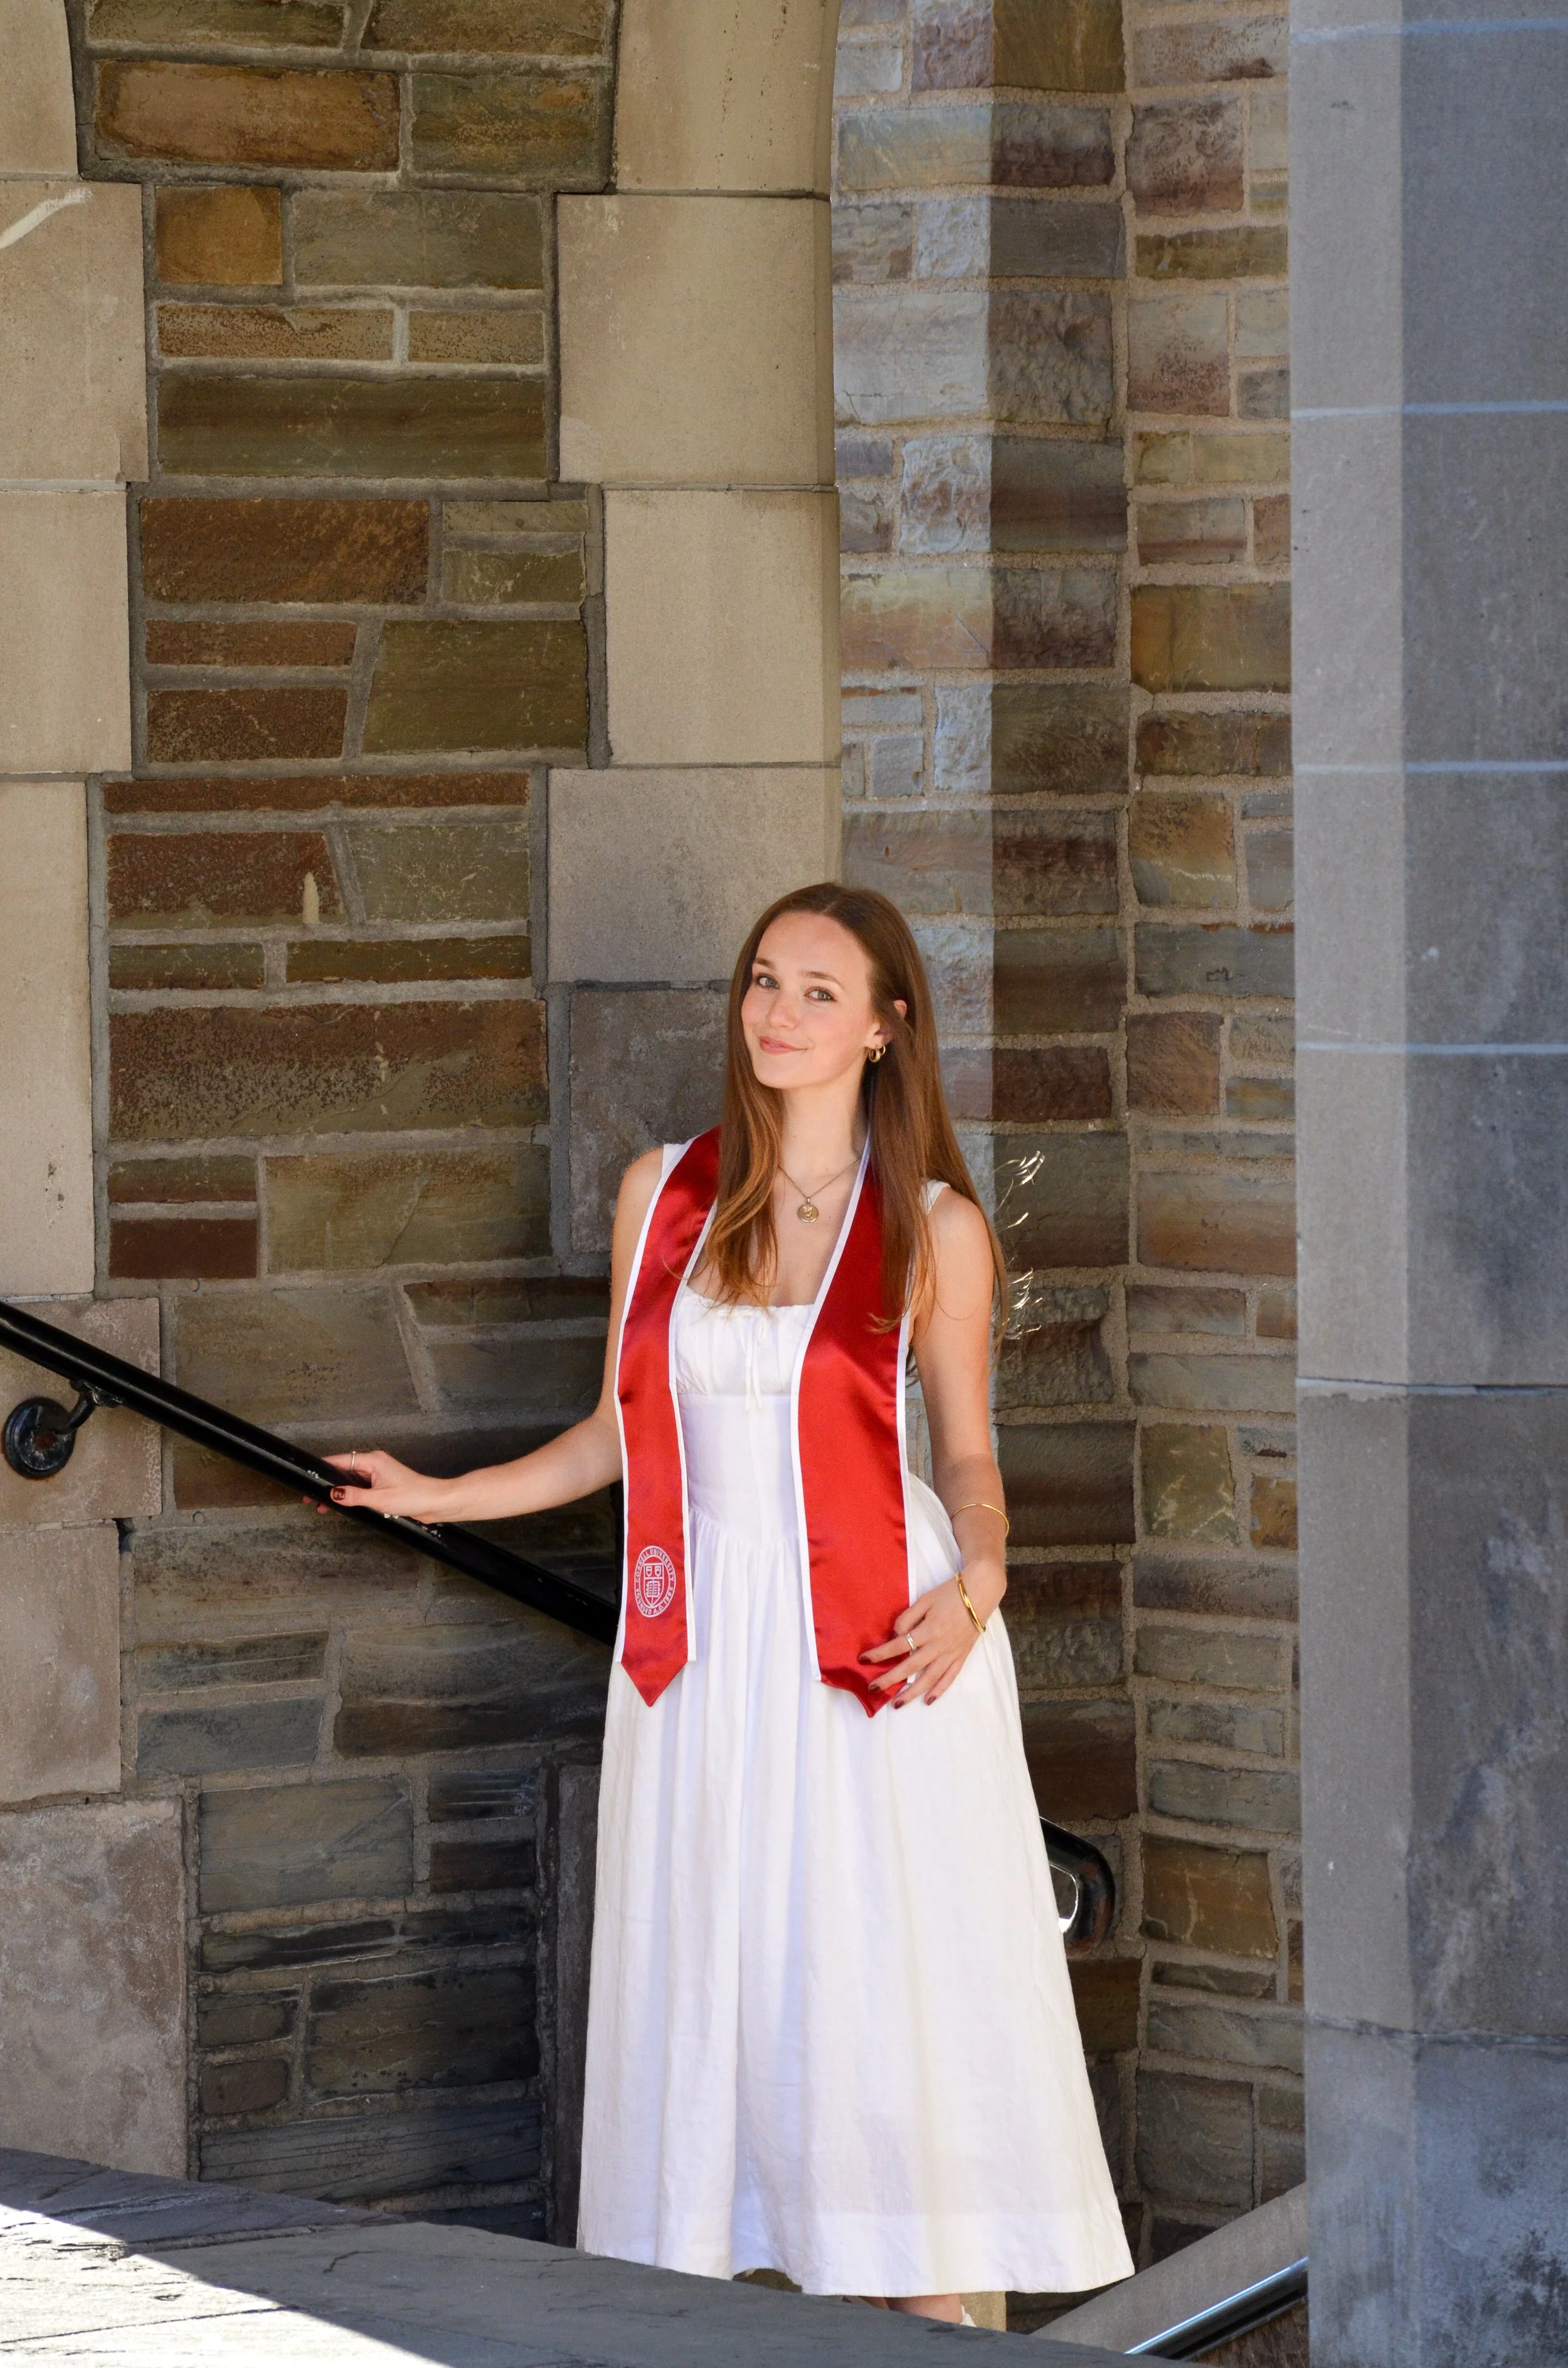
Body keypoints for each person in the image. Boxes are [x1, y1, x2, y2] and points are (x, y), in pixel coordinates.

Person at [324, 882, 1132, 2321]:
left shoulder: (934, 1226)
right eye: (764, 980)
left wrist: (985, 1585)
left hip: (883, 1648)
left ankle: (935, 2324)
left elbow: (964, 1448)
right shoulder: (667, 1195)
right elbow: (618, 1438)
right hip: (704, 1662)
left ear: (886, 1028)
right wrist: (434, 1495)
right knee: (730, 2001)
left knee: (886, 2009)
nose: (776, 1011)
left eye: (819, 991)